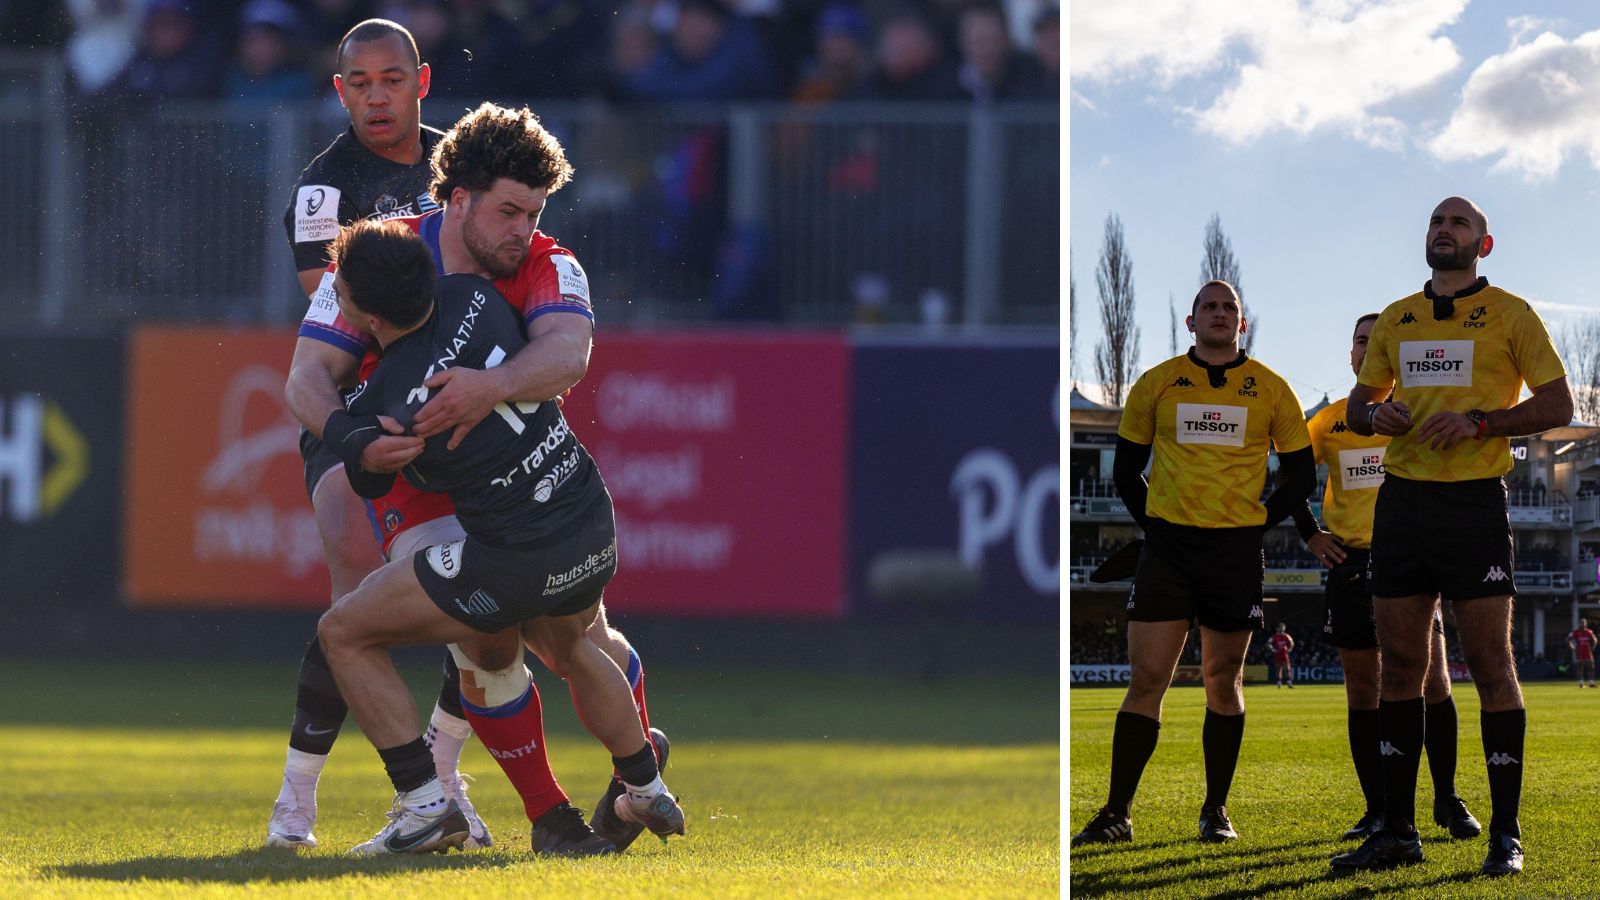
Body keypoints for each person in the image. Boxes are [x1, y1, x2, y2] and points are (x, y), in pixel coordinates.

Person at [273, 26, 664, 854]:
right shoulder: (382, 258)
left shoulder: (545, 262)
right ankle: (529, 808)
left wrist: (485, 386)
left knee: (572, 639)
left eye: (534, 213)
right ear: (455, 200)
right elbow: (305, 376)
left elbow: (568, 355)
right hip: (421, 483)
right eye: (510, 212)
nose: (525, 229)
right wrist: (350, 437)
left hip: (516, 483)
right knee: (488, 640)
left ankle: (622, 774)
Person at [315, 219, 684, 855]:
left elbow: (375, 477)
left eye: (342, 295)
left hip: (511, 555)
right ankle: (646, 786)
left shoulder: (396, 399)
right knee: (572, 646)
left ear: (367, 316)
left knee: (344, 632)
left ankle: (426, 804)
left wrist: (356, 444)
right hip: (587, 516)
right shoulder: (477, 297)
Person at [1332, 196, 1572, 878]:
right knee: (1400, 670)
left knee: (1492, 667)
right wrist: (1378, 413)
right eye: (1437, 221)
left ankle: (1505, 833)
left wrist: (1481, 423)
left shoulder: (1512, 315)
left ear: (1483, 245)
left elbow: (1560, 405)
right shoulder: (1399, 317)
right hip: (1402, 505)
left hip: (1472, 506)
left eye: (1459, 222)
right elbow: (1358, 402)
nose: (1444, 229)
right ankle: (1398, 832)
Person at [1070, 280, 1316, 847]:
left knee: (1222, 681)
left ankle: (1215, 810)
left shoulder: (1272, 389)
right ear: (1191, 321)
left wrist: (1258, 520)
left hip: (1234, 552)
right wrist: (1155, 528)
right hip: (1170, 550)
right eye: (1210, 306)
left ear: (1242, 323)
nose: (1221, 313)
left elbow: (1300, 476)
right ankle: (1116, 814)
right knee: (1147, 679)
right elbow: (1126, 472)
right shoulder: (1156, 384)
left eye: (1230, 307)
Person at [1296, 312, 1480, 842]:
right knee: (1363, 691)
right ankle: (1378, 809)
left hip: (1414, 558)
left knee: (1434, 681)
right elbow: (1290, 478)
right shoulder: (1328, 422)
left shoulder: (1424, 415)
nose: (1366, 349)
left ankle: (1446, 799)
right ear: (1352, 357)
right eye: (1360, 341)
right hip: (1351, 565)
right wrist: (1311, 533)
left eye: (1377, 341)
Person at [1569, 618, 1597, 688]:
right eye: (1581, 623)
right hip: (1579, 652)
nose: (1582, 624)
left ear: (1586, 624)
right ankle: (1581, 683)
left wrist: (1592, 648)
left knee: (1591, 666)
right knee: (1580, 667)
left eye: (1583, 623)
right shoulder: (1575, 632)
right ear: (1578, 624)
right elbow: (1568, 639)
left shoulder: (1589, 632)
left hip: (1588, 652)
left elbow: (1595, 640)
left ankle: (1591, 683)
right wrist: (1572, 647)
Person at [1267, 623, 1294, 688]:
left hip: (1285, 655)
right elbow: (1268, 643)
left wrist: (1290, 649)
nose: (1282, 628)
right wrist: (1273, 649)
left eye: (1283, 627)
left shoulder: (1286, 636)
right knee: (1278, 669)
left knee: (1287, 669)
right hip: (1278, 655)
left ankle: (1289, 683)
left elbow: (1292, 642)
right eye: (1280, 627)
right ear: (1277, 628)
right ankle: (1279, 683)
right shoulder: (1274, 637)